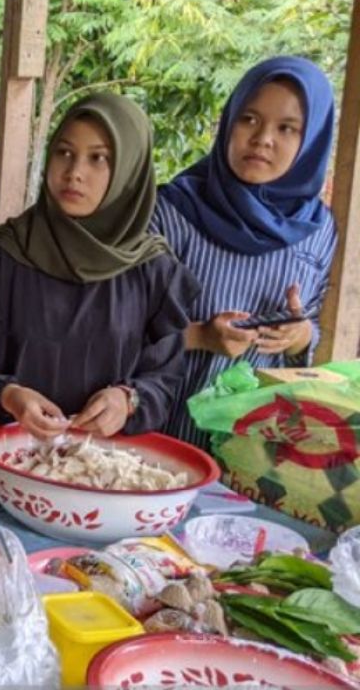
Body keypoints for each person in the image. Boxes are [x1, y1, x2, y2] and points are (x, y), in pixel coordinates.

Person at [0, 93, 197, 512]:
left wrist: (127, 400)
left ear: (129, 171)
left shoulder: (153, 271)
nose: (74, 172)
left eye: (98, 159)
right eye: (64, 152)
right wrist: (8, 395)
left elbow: (165, 377)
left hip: (100, 488)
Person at [153, 56, 338, 449]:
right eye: (249, 119)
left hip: (254, 454)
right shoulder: (171, 211)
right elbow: (113, 325)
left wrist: (299, 335)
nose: (262, 139)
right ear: (229, 120)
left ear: (313, 140)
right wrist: (199, 336)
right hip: (159, 440)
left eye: (287, 128)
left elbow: (311, 329)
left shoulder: (318, 231)